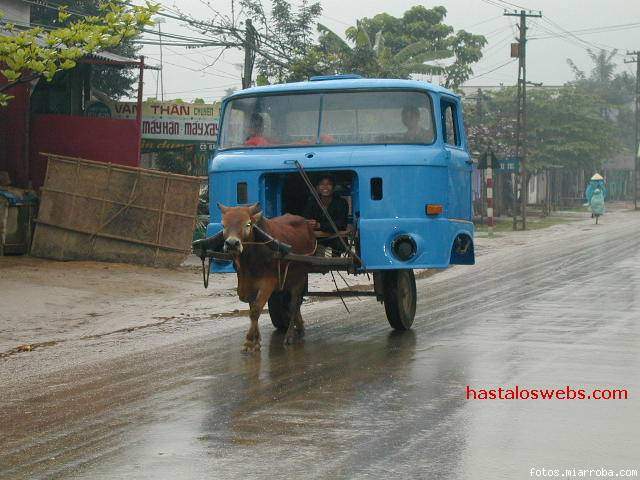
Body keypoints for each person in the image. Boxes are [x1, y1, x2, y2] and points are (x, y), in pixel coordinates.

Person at [303, 175, 349, 253]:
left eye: (329, 184)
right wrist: (309, 223)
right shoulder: (311, 202)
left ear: (333, 187)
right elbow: (306, 219)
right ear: (317, 187)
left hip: (337, 238)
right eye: (322, 184)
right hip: (318, 239)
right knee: (316, 253)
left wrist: (319, 225)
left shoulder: (342, 203)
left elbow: (341, 224)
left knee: (338, 257)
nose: (325, 187)